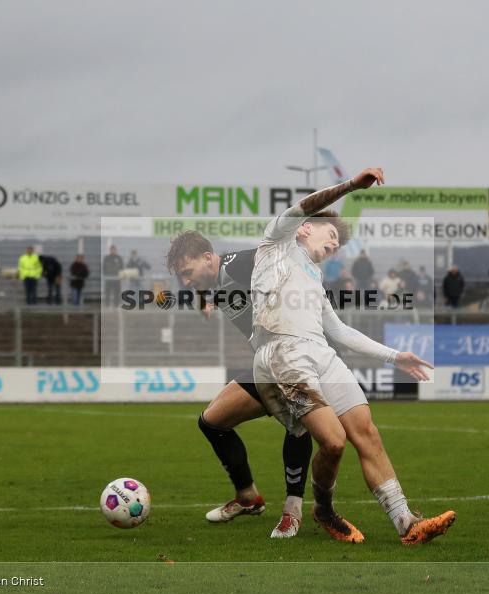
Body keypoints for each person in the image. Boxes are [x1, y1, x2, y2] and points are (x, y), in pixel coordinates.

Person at [250, 166, 455, 546]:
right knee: (334, 441)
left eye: (338, 245)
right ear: (306, 228)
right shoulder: (275, 243)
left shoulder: (313, 276)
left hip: (318, 352)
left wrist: (396, 357)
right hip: (282, 353)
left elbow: (340, 331)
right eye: (331, 237)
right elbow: (307, 205)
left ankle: (407, 522)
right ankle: (323, 509)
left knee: (366, 431)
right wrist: (349, 187)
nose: (334, 246)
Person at [167, 232, 317, 539]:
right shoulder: (215, 282)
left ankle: (293, 511)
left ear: (208, 258)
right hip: (265, 364)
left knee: (298, 427)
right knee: (212, 422)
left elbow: (272, 252)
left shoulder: (238, 264)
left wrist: (299, 236)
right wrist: (205, 301)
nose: (185, 282)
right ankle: (248, 497)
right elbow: (215, 289)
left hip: (296, 358)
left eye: (187, 272)